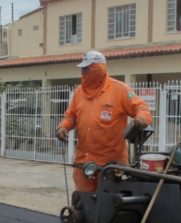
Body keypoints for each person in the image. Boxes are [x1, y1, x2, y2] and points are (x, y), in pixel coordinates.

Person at [55, 50, 152, 192]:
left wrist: (142, 117)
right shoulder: (78, 92)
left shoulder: (120, 90)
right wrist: (63, 127)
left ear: (98, 68)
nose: (82, 72)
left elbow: (141, 107)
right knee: (84, 202)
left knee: (108, 205)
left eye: (86, 68)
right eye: (82, 68)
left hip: (111, 164)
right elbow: (70, 116)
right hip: (84, 162)